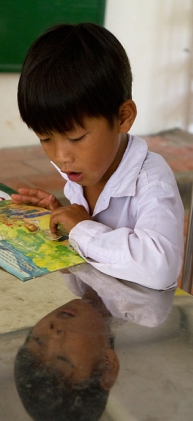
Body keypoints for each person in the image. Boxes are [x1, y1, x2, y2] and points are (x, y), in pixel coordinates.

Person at [11, 22, 184, 290]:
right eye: (45, 139)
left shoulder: (151, 182)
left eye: (76, 138)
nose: (60, 157)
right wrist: (62, 214)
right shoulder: (83, 165)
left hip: (138, 323)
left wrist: (81, 230)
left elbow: (159, 268)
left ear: (123, 118)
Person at [14, 292, 119, 421]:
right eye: (64, 358)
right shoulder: (145, 302)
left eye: (38, 340)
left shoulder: (75, 281)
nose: (54, 334)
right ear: (107, 366)